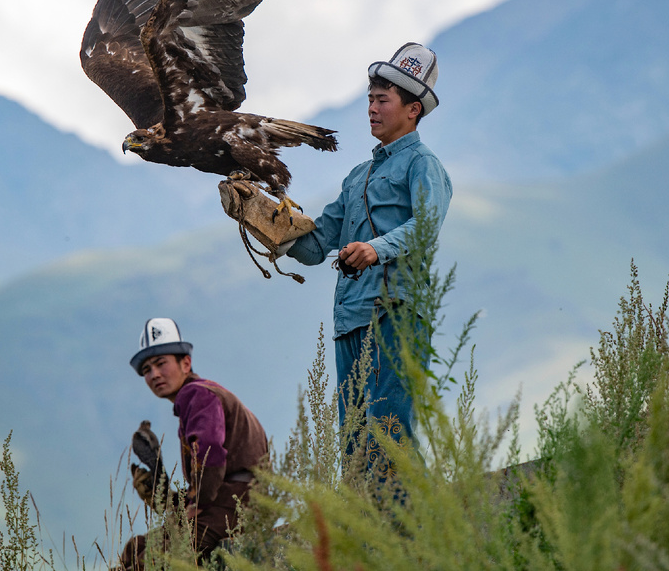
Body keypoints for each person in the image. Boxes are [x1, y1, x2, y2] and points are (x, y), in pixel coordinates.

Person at [285, 42, 452, 455]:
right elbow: (314, 246)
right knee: (355, 442)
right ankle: (367, 519)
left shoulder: (422, 164)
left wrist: (376, 248)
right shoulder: (357, 177)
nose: (372, 109)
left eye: (383, 100)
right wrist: (273, 226)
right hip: (350, 318)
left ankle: (412, 521)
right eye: (370, 100)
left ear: (413, 109)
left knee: (390, 433)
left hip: (397, 310)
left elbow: (427, 226)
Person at [120, 318, 268, 570]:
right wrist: (165, 497)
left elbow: (210, 454)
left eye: (160, 363)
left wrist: (195, 505)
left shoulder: (196, 394)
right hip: (232, 501)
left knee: (150, 562)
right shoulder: (202, 396)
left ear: (185, 363)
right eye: (146, 370)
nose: (154, 374)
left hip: (235, 506)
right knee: (136, 549)